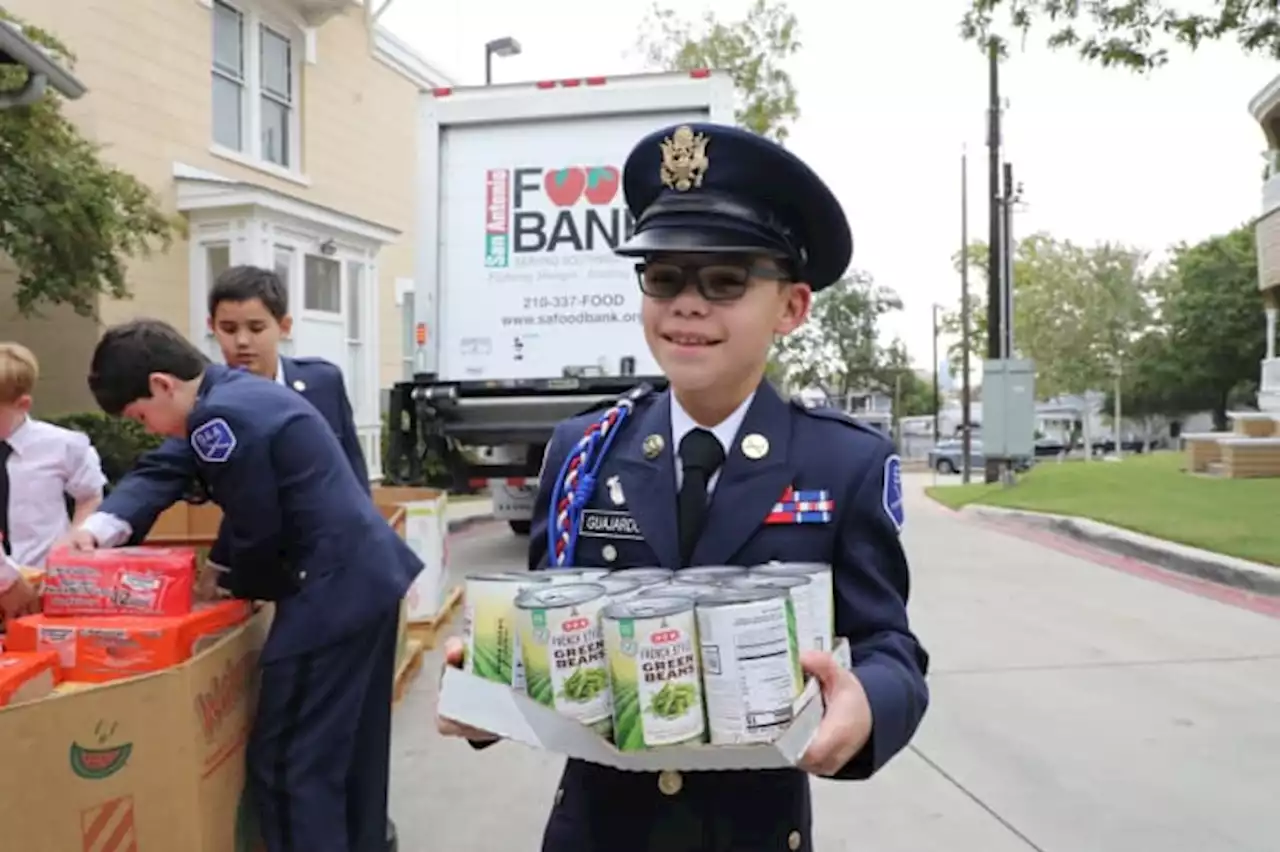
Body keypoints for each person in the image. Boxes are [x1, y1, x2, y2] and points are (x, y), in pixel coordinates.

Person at [435, 122, 930, 852]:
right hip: (596, 830)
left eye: (725, 280)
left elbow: (890, 644)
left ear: (791, 308)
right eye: (664, 277)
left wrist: (868, 706)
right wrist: (486, 693)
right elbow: (547, 625)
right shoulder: (582, 453)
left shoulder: (840, 463)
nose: (687, 304)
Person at [71, 319, 421, 852]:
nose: (148, 429)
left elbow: (258, 522)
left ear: (163, 385)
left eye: (141, 416)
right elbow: (174, 467)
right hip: (367, 580)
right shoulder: (236, 395)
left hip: (329, 594)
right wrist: (103, 528)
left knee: (290, 763)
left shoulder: (220, 416)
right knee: (351, 750)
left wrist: (230, 577)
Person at [82, 264, 370, 551]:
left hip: (332, 554)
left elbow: (351, 471)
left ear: (283, 327)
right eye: (228, 329)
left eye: (256, 328)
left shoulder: (322, 381)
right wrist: (100, 527)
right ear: (212, 327)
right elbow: (161, 471)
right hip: (266, 560)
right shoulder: (203, 405)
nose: (242, 342)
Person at [0, 341, 108, 621]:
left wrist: (71, 548)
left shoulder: (63, 446)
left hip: (44, 587)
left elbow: (90, 495)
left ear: (22, 405)